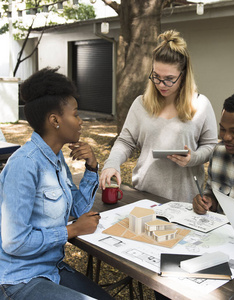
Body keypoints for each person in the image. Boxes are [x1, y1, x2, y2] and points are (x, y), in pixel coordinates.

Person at [0, 68, 113, 300]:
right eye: (76, 114)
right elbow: (14, 242)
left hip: (51, 269)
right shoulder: (24, 165)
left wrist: (91, 167)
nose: (81, 122)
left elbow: (76, 211)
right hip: (18, 279)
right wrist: (73, 230)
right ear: (55, 120)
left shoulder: (56, 158)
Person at [100, 30, 218, 202]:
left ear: (183, 75)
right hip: (144, 196)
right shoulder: (141, 104)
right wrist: (112, 164)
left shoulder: (201, 104)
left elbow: (211, 146)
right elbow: (125, 141)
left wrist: (194, 158)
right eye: (156, 76)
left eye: (169, 78)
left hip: (185, 200)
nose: (161, 84)